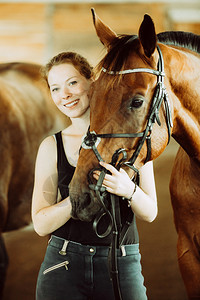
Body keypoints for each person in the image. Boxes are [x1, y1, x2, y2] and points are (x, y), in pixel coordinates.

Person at [32, 51, 158, 300]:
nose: (64, 94)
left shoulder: (134, 136)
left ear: (93, 81)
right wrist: (79, 195)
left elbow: (150, 212)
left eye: (72, 82)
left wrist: (128, 189)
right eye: (55, 88)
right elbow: (41, 224)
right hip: (63, 265)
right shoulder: (51, 146)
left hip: (121, 264)